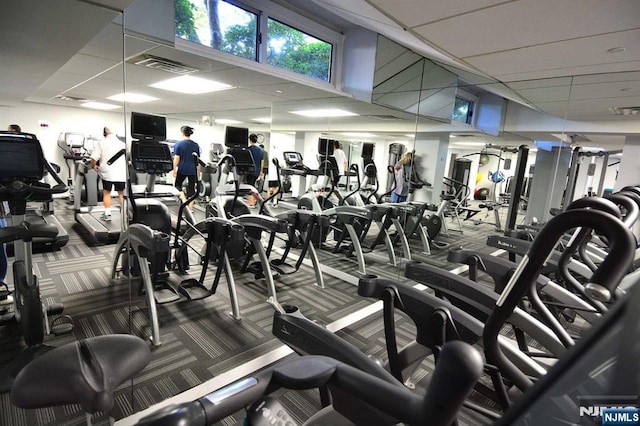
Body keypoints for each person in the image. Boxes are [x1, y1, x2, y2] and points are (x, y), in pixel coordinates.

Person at [91, 127, 126, 221]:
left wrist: (94, 166)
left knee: (107, 193)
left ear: (104, 134)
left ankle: (107, 214)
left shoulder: (101, 143)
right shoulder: (123, 144)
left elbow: (94, 158)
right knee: (121, 194)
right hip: (121, 173)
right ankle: (125, 214)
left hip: (107, 173)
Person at [173, 125, 201, 211]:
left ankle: (184, 202)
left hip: (182, 169)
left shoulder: (179, 144)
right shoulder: (196, 145)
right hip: (193, 170)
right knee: (191, 189)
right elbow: (197, 160)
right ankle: (190, 208)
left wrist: (174, 170)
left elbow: (177, 158)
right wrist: (198, 173)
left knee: (177, 186)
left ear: (182, 133)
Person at [246, 134, 264, 208]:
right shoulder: (261, 150)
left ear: (250, 140)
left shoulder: (248, 149)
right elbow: (262, 161)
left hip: (250, 171)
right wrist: (261, 171)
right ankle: (253, 201)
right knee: (253, 186)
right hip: (257, 171)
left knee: (250, 187)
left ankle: (251, 203)